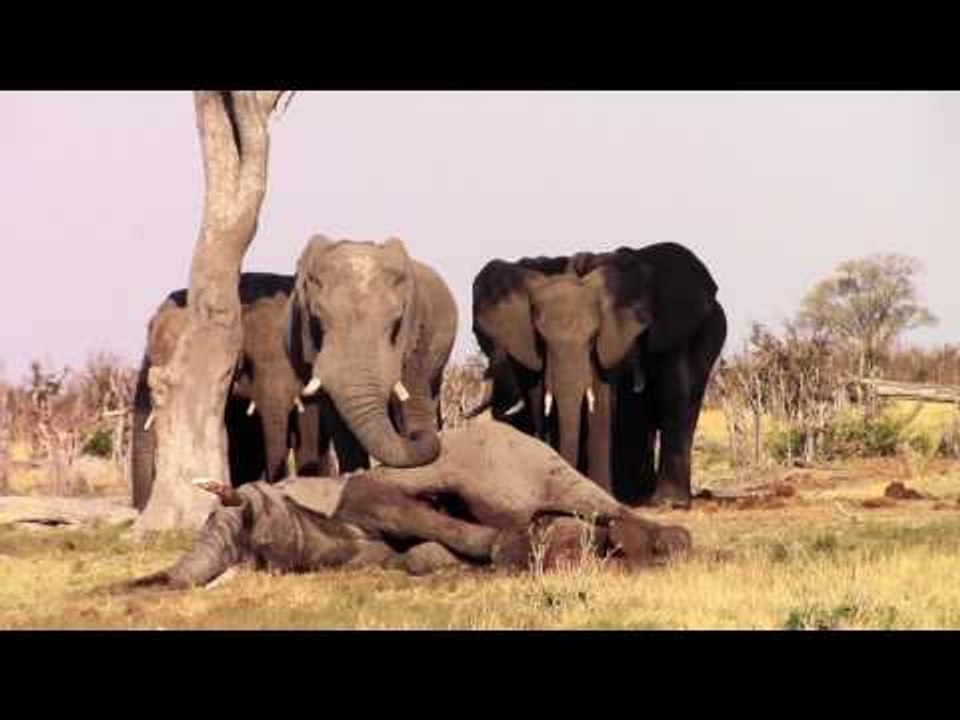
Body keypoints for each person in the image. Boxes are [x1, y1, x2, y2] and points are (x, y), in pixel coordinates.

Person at [128, 419, 691, 590]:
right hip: (340, 532)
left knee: (400, 517)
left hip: (344, 505)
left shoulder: (482, 449)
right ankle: (523, 546)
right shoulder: (251, 532)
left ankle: (499, 544)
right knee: (421, 556)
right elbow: (198, 565)